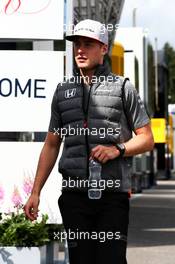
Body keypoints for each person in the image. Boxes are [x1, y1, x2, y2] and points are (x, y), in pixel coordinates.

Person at [24, 19, 154, 264]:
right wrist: (35, 192)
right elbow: (52, 144)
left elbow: (147, 139)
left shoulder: (123, 88)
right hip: (74, 196)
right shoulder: (63, 92)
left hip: (112, 196)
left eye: (88, 44)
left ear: (104, 48)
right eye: (77, 44)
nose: (80, 50)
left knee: (111, 260)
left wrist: (118, 149)